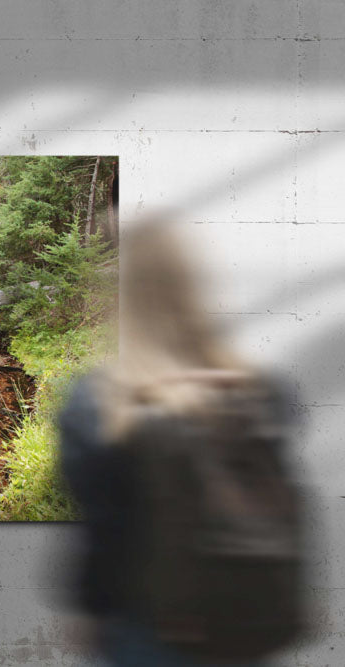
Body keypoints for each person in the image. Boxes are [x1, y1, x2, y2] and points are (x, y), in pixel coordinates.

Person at [58, 222, 306, 666]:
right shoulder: (266, 393)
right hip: (247, 621)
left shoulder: (98, 403)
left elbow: (101, 533)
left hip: (148, 629)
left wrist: (90, 609)